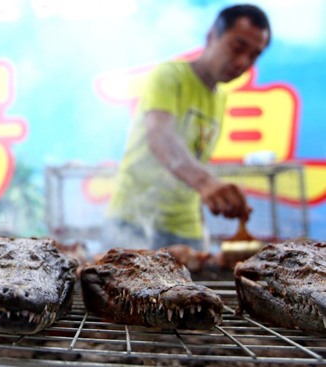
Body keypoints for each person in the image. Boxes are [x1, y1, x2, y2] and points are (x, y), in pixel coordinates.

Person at [103, 4, 271, 251]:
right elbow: (160, 135)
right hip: (133, 220)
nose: (243, 61)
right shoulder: (169, 76)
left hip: (186, 229)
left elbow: (197, 158)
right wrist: (205, 182)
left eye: (254, 55)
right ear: (212, 35)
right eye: (238, 47)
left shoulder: (220, 98)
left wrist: (202, 222)